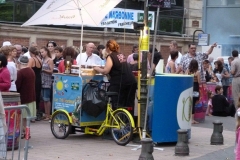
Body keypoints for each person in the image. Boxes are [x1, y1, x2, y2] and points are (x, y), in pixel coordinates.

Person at [93, 40, 137, 117]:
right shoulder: (121, 55)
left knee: (118, 103)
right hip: (131, 81)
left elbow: (105, 71)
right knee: (129, 105)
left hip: (120, 83)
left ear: (107, 48)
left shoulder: (111, 56)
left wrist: (97, 68)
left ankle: (117, 123)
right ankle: (129, 124)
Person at [15, 56, 36, 135]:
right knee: (27, 118)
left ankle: (25, 133)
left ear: (19, 63)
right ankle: (27, 132)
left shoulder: (20, 72)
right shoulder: (31, 71)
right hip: (31, 96)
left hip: (23, 97)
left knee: (22, 117)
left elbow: (17, 85)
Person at [27, 46, 42, 121]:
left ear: (30, 52)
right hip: (39, 79)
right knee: (37, 97)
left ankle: (32, 115)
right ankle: (35, 114)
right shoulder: (39, 59)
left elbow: (28, 70)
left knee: (32, 96)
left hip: (33, 80)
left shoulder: (31, 59)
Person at [40, 46, 54, 121]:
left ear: (46, 51)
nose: (41, 53)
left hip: (47, 80)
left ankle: (48, 115)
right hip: (42, 80)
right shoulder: (42, 59)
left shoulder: (50, 60)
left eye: (42, 52)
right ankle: (46, 114)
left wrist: (43, 70)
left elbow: (51, 71)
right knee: (44, 99)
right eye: (41, 52)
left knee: (47, 99)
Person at [186, 59, 200, 124]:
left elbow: (185, 78)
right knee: (193, 103)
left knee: (188, 102)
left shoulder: (187, 71)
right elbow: (199, 82)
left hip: (188, 86)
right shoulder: (197, 72)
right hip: (195, 87)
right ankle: (192, 119)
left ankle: (187, 117)